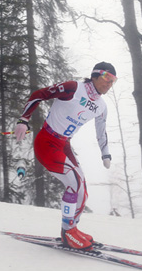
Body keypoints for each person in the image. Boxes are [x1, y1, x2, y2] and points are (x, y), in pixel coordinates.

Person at [14, 62, 117, 250]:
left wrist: (105, 153)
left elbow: (101, 132)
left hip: (63, 144)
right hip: (47, 141)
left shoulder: (101, 106)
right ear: (94, 75)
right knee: (75, 181)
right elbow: (39, 95)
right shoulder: (73, 88)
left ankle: (72, 229)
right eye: (107, 78)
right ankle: (68, 232)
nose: (109, 84)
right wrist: (24, 119)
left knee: (82, 189)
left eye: (113, 81)